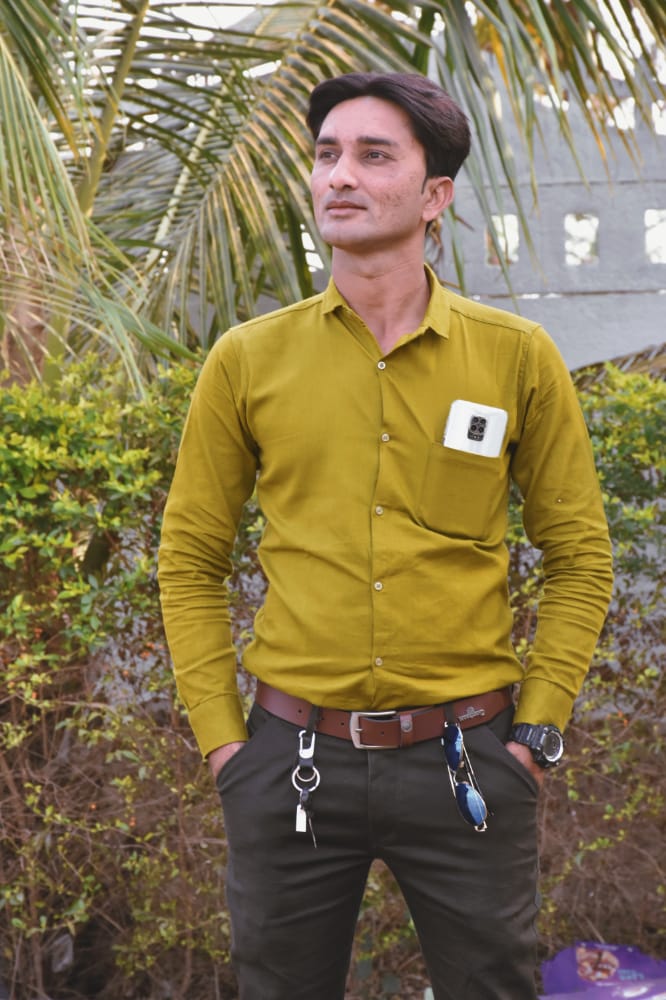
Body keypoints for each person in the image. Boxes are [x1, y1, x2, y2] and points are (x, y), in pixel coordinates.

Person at [158, 72, 613, 1000]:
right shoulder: (247, 360)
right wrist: (225, 744)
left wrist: (537, 733)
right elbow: (190, 558)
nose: (339, 175)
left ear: (435, 194)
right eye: (327, 154)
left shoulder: (516, 358)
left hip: (470, 760)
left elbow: (579, 557)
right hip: (288, 760)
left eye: (373, 155)